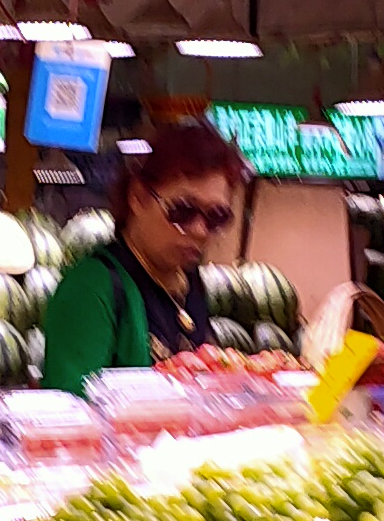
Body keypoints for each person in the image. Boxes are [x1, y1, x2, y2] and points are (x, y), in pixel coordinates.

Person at [37, 119, 249, 393]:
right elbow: (71, 414)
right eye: (182, 211)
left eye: (216, 217)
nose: (199, 230)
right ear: (138, 198)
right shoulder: (90, 289)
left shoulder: (190, 279)